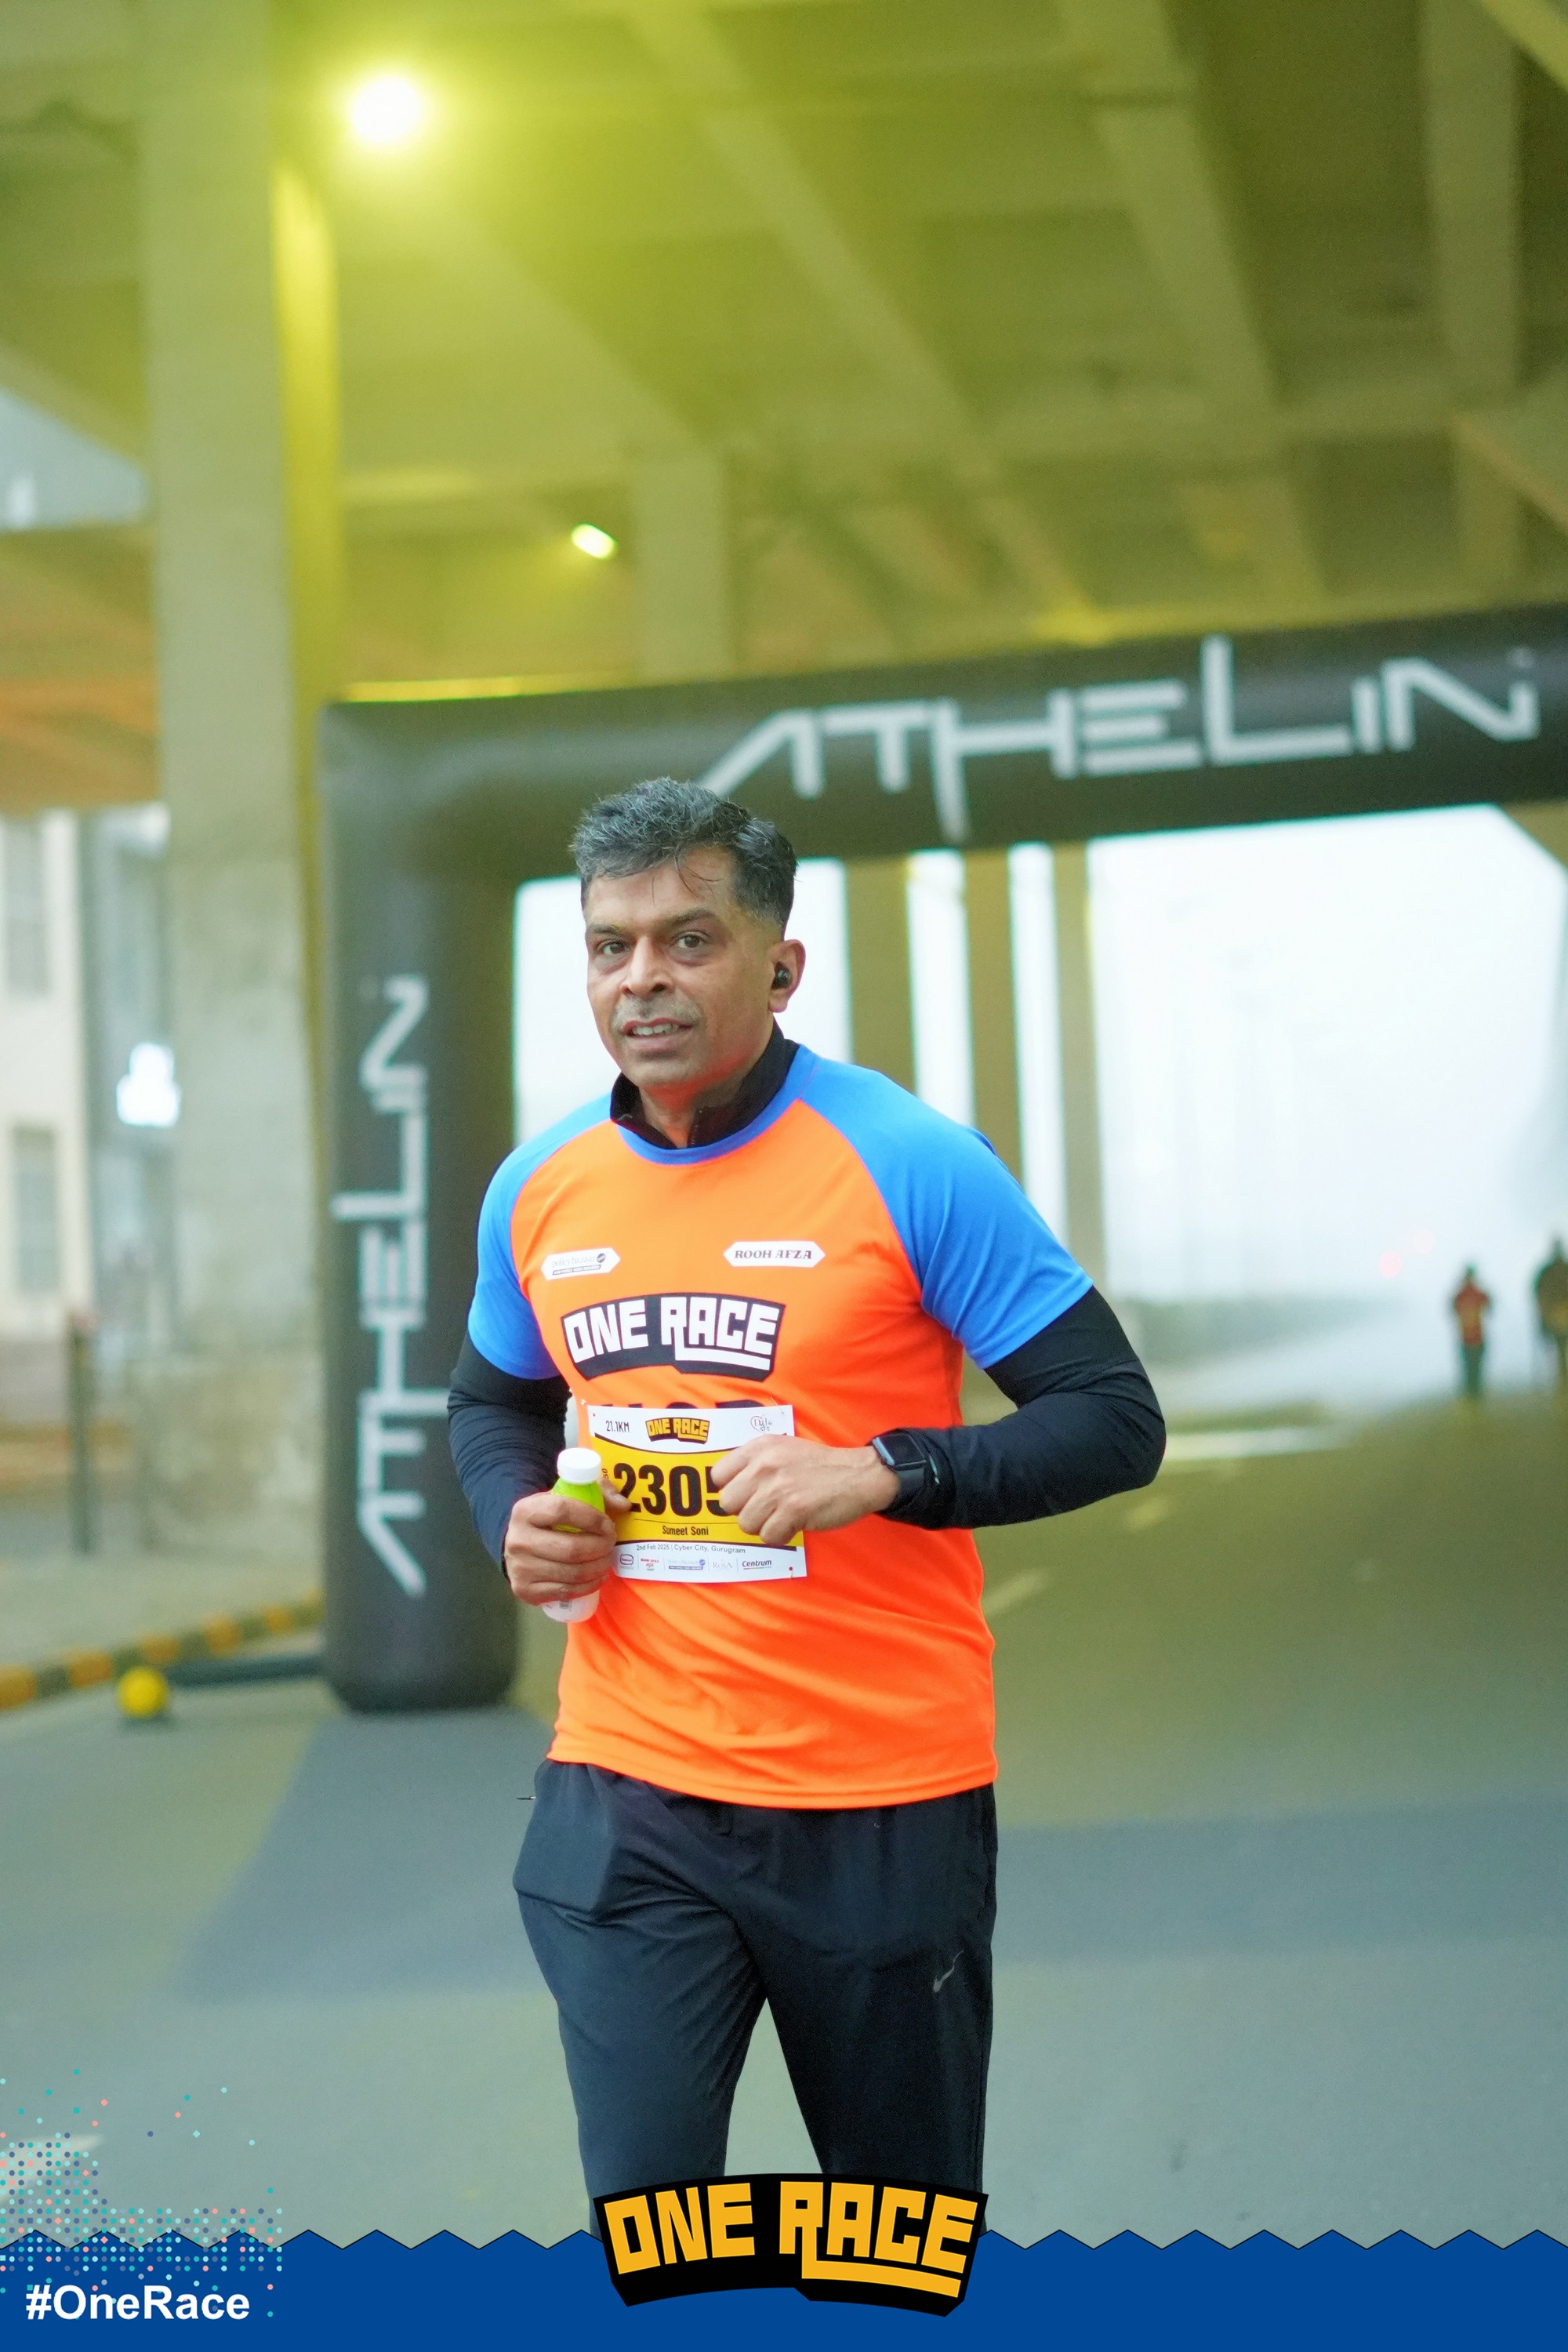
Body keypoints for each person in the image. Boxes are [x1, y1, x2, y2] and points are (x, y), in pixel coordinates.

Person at [447, 778, 1164, 2219]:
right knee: (653, 2219)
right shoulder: (540, 1188)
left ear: (780, 968)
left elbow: (1113, 1419)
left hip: (878, 1796)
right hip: (630, 1786)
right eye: (609, 946)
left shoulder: (908, 1162)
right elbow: (493, 1403)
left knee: (893, 2239)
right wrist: (516, 1514)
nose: (642, 978)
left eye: (689, 940)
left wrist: (888, 1468)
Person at [1450, 1265, 1491, 1401]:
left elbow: (1452, 1309)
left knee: (1470, 1368)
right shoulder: (1476, 1294)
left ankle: (1472, 1394)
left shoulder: (1460, 1295)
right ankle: (1475, 1394)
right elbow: (1489, 1304)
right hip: (1473, 1337)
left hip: (1469, 1337)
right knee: (1475, 1367)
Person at [1533, 1239, 1568, 1389]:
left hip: (1554, 1317)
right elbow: (1540, 1295)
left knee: (1559, 1350)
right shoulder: (1554, 1271)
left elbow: (1539, 1294)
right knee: (1560, 1350)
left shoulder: (1546, 1272)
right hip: (1555, 1317)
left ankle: (1562, 1381)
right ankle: (1562, 1381)